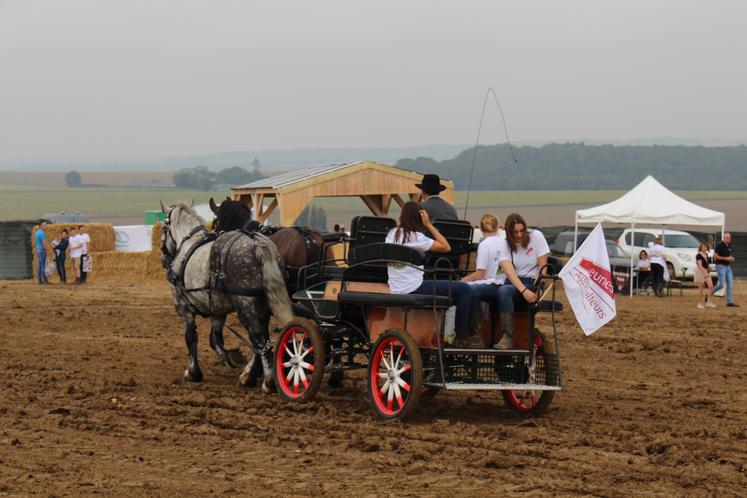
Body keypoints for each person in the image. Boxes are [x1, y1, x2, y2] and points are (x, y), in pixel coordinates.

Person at [385, 201, 481, 347]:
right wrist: (429, 225)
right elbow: (446, 246)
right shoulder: (416, 237)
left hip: (396, 288)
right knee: (464, 289)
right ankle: (461, 336)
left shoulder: (392, 234)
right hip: (414, 287)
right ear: (420, 217)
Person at [494, 213, 550, 350]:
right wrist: (523, 291)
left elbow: (542, 268)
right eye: (515, 232)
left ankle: (508, 336)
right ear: (508, 233)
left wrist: (537, 288)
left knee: (504, 291)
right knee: (476, 291)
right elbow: (510, 273)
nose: (519, 235)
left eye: (522, 231)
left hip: (531, 282)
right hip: (514, 283)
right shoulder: (503, 245)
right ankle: (475, 337)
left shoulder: (536, 236)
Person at [462, 214, 505, 333]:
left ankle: (477, 330)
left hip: (491, 283)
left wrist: (462, 281)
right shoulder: (504, 243)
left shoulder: (484, 245)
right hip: (503, 281)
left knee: (466, 290)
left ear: (480, 230)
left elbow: (480, 274)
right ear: (498, 228)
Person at [712, 232, 737, 307]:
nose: (729, 239)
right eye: (727, 237)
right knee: (721, 285)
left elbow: (728, 255)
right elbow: (714, 256)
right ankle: (709, 293)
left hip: (728, 267)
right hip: (720, 266)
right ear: (723, 238)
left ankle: (729, 302)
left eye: (729, 237)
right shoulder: (719, 246)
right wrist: (725, 258)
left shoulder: (729, 245)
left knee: (730, 284)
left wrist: (731, 258)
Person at [695, 242, 716, 309]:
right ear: (700, 247)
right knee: (701, 288)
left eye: (706, 247)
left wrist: (708, 268)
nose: (704, 248)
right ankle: (699, 303)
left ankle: (708, 302)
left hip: (706, 272)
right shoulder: (699, 255)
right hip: (700, 272)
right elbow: (700, 265)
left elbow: (705, 264)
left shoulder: (706, 254)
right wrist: (705, 272)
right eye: (703, 246)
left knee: (711, 286)